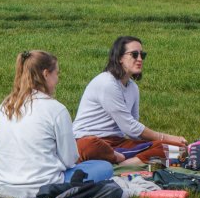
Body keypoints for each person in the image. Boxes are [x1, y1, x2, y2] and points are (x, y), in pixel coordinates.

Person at [0, 50, 114, 198]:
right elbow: (69, 159)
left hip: (1, 183)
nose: (58, 79)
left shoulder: (5, 106)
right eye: (57, 74)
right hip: (43, 186)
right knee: (104, 167)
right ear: (46, 74)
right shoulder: (56, 109)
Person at [73, 36, 187, 166]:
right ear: (119, 58)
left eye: (142, 55)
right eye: (134, 54)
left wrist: (167, 142)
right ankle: (122, 159)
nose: (139, 59)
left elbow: (134, 132)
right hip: (91, 140)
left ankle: (127, 162)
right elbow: (130, 127)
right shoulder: (106, 83)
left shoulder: (133, 87)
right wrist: (166, 137)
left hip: (118, 144)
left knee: (178, 148)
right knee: (88, 145)